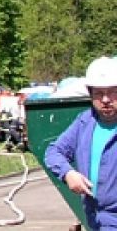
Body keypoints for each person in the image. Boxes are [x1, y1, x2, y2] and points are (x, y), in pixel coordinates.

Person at [46, 56, 117, 231]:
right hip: (94, 218)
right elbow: (53, 152)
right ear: (90, 93)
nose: (106, 100)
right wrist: (68, 173)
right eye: (99, 93)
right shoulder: (84, 123)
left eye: (112, 92)